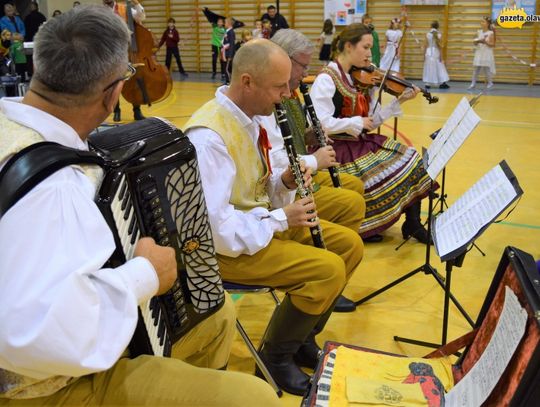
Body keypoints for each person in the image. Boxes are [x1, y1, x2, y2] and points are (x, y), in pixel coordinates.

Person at [0, 6, 281, 407]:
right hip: (43, 386)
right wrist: (145, 273)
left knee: (217, 316)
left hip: (53, 350)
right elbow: (35, 335)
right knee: (256, 400)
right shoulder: (55, 187)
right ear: (114, 92)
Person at [183, 39, 363, 395]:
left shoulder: (252, 117)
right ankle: (274, 359)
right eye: (278, 87)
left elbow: (258, 187)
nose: (286, 95)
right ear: (247, 81)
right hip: (225, 251)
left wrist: (284, 182)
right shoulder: (209, 138)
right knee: (327, 271)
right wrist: (282, 217)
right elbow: (216, 230)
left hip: (258, 225)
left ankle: (301, 336)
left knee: (349, 246)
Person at [267, 28, 367, 313]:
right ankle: (322, 274)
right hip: (287, 186)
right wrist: (315, 160)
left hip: (296, 174)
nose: (305, 73)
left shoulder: (291, 94)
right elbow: (278, 159)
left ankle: (328, 271)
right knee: (351, 201)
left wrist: (311, 135)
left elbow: (294, 138)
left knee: (354, 189)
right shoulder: (271, 97)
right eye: (302, 65)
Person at [309, 23, 433, 244]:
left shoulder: (359, 78)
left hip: (359, 142)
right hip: (336, 150)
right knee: (382, 172)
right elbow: (319, 123)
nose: (370, 54)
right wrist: (356, 121)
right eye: (366, 47)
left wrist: (400, 100)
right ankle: (365, 224)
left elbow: (371, 121)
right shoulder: (326, 79)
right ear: (348, 46)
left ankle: (412, 223)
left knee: (411, 157)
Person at [102, 0, 146, 121]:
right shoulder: (98, 12)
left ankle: (137, 110)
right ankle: (116, 111)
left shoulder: (124, 8)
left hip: (128, 51)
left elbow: (140, 17)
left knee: (134, 81)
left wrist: (137, 4)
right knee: (114, 83)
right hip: (110, 53)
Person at [469, 16, 496, 90]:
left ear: (487, 24)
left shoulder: (491, 33)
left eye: (483, 21)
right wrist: (476, 42)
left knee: (486, 69)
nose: (481, 23)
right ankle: (473, 84)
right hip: (479, 52)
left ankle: (490, 83)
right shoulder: (478, 32)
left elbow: (493, 45)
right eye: (481, 21)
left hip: (486, 52)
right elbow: (474, 42)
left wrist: (485, 42)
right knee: (476, 69)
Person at [423, 21, 450, 89]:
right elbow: (440, 46)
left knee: (428, 67)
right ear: (438, 27)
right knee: (440, 67)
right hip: (436, 52)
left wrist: (423, 55)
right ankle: (442, 82)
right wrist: (441, 57)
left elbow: (425, 45)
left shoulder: (427, 34)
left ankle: (427, 83)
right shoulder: (439, 34)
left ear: (431, 26)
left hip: (428, 52)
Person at [202, 7, 226, 81]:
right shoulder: (214, 26)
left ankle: (223, 73)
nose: (219, 23)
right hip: (214, 45)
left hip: (221, 46)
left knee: (222, 60)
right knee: (214, 59)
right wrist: (206, 11)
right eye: (218, 22)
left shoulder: (224, 29)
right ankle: (214, 72)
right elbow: (209, 18)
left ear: (223, 23)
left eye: (221, 22)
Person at [221, 17, 235, 85]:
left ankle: (229, 82)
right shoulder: (227, 31)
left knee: (227, 68)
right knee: (225, 67)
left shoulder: (231, 32)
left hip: (228, 54)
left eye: (225, 22)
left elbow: (232, 44)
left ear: (229, 24)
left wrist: (230, 55)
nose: (224, 24)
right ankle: (227, 81)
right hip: (225, 53)